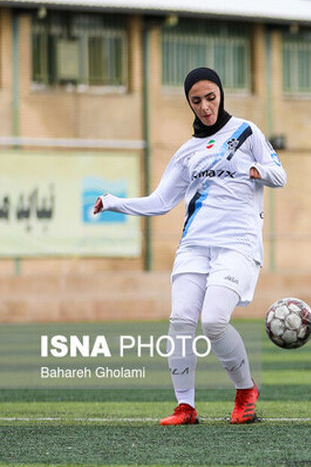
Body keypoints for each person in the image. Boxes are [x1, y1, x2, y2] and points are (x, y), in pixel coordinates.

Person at [93, 67, 286, 424]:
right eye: (196, 101)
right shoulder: (187, 152)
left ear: (221, 94)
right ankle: (186, 406)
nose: (205, 106)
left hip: (237, 244)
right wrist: (114, 201)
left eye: (210, 97)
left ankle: (245, 389)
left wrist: (258, 171)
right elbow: (161, 201)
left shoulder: (247, 132)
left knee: (213, 321)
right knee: (181, 322)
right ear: (189, 103)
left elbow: (281, 175)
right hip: (194, 246)